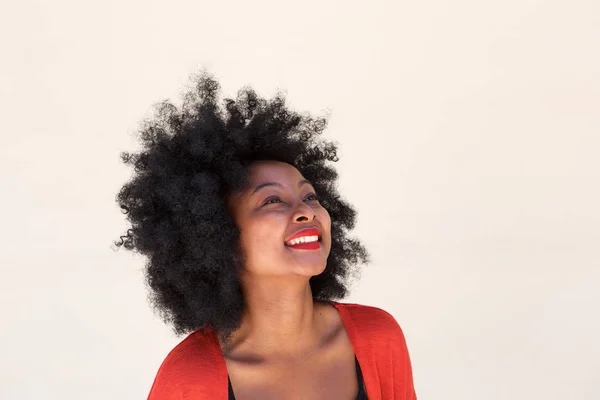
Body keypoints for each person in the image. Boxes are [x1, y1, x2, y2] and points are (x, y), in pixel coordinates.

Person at [115, 72, 417, 399]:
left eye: (310, 197)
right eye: (272, 200)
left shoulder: (378, 338)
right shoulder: (191, 378)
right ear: (219, 237)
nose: (306, 210)